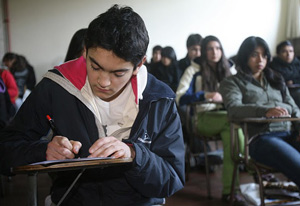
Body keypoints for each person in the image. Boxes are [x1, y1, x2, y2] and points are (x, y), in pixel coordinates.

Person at [0, 4, 185, 206]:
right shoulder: (57, 86)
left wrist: (134, 154)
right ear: (85, 51)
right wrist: (43, 150)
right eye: (95, 67)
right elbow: (7, 148)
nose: (103, 82)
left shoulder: (159, 99)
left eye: (118, 73)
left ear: (139, 64)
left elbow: (171, 179)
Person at [220, 36, 300, 192]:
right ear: (244, 57)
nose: (260, 60)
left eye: (264, 55)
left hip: (289, 134)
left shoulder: (276, 79)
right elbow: (234, 109)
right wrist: (265, 111)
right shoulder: (231, 83)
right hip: (261, 140)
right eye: (254, 55)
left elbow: (294, 107)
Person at [176, 35, 246, 205]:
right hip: (202, 119)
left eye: (218, 48)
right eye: (210, 48)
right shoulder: (193, 70)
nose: (214, 52)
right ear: (204, 52)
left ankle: (230, 191)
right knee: (235, 125)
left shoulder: (230, 70)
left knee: (233, 135)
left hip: (226, 119)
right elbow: (180, 97)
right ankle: (250, 163)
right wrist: (205, 95)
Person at [270, 40, 300, 108]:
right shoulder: (273, 65)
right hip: (284, 91)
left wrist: (293, 81)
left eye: (291, 51)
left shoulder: (297, 63)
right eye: (284, 51)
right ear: (278, 54)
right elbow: (278, 79)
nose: (288, 54)